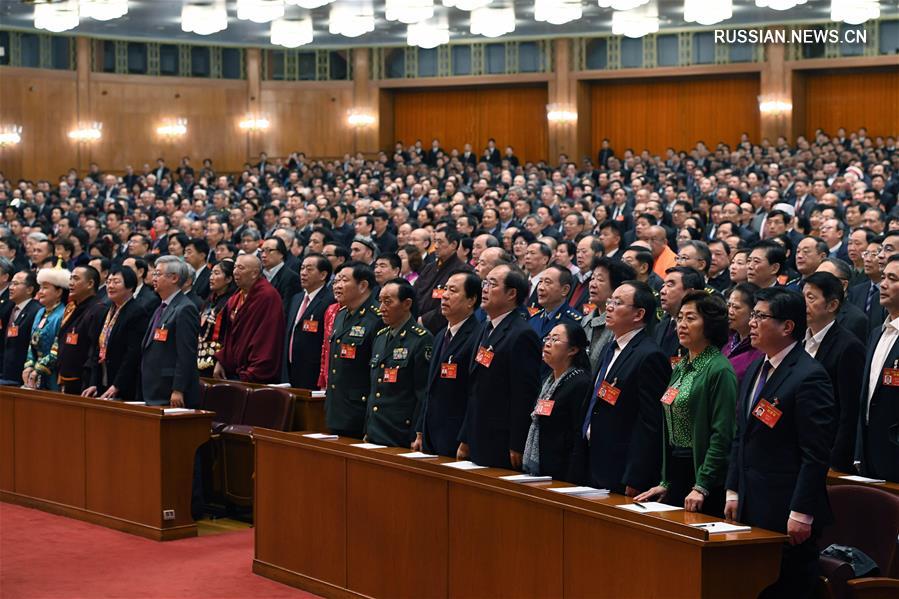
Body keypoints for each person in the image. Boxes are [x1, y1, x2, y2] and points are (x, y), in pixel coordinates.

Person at [725, 288, 836, 598]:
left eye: (761, 316)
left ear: (787, 327)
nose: (752, 323)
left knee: (787, 587)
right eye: (754, 315)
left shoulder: (809, 376)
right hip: (750, 501)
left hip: (786, 510)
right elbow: (741, 434)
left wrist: (801, 512)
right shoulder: (757, 369)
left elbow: (815, 453)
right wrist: (733, 489)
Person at [636, 291, 736, 516]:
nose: (681, 324)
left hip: (702, 477)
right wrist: (666, 481)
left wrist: (702, 485)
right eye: (680, 317)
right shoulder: (681, 366)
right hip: (677, 470)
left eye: (691, 318)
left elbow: (722, 434)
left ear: (710, 324)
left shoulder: (719, 369)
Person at [578, 280, 670, 495]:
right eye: (610, 300)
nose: (609, 307)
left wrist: (637, 475)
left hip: (621, 469)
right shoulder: (611, 348)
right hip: (592, 458)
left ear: (638, 314)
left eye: (618, 303)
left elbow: (651, 423)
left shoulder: (649, 356)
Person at [458, 264, 541, 469]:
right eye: (484, 283)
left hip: (501, 440)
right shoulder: (485, 328)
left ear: (512, 293)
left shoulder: (522, 334)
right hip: (478, 433)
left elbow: (524, 394)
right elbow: (475, 387)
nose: (484, 289)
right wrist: (466, 436)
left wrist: (517, 443)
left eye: (492, 284)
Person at [799, 272, 864, 473]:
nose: (803, 303)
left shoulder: (849, 347)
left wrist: (836, 461)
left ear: (832, 305)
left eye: (811, 298)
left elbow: (849, 411)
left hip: (825, 451)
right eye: (803, 297)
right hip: (796, 446)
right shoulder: (798, 339)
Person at [415, 272, 481, 457]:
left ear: (471, 300)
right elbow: (430, 388)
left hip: (456, 436)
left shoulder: (477, 337)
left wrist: (466, 438)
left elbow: (474, 393)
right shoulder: (439, 336)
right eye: (445, 289)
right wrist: (420, 430)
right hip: (431, 434)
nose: (444, 295)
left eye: (453, 290)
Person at [364, 278, 433, 447]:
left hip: (400, 431)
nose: (381, 309)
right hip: (376, 429)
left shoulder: (421, 339)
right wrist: (368, 427)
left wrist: (418, 432)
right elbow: (374, 387)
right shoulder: (380, 336)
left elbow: (423, 393)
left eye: (388, 302)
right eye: (380, 302)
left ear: (406, 304)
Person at [522, 322, 592, 483]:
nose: (547, 343)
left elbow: (578, 436)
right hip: (544, 465)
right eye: (547, 338)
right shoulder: (550, 380)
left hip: (563, 471)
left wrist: (572, 479)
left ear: (573, 350)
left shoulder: (580, 383)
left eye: (555, 340)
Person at [325, 261, 383, 437]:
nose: (337, 285)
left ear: (363, 285)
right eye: (336, 281)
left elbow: (377, 371)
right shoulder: (341, 314)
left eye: (344, 280)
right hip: (337, 408)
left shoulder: (377, 318)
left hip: (359, 411)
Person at [856, 254, 899, 483]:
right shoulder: (876, 333)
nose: (883, 284)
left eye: (892, 278)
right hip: (869, 455)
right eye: (883, 277)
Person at [213, 254, 285, 383]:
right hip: (232, 370)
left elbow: (268, 337)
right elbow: (228, 336)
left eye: (241, 268)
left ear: (254, 273)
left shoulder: (267, 296)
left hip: (255, 372)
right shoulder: (235, 298)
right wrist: (221, 361)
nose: (235, 271)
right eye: (235, 267)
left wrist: (253, 371)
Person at [140, 256, 201, 408]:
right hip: (153, 388)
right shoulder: (161, 307)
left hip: (169, 391)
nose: (154, 278)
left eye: (158, 274)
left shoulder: (185, 308)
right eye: (154, 274)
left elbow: (186, 353)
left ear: (174, 278)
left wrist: (178, 389)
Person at [81, 267, 149, 402]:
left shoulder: (137, 312)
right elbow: (97, 347)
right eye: (108, 282)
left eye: (116, 282)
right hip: (103, 377)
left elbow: (133, 354)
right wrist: (94, 382)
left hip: (125, 383)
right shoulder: (106, 310)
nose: (110, 286)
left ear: (130, 287)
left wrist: (117, 385)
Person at [283, 253, 334, 390]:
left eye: (309, 269)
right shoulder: (296, 298)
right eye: (302, 268)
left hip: (313, 373)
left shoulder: (330, 301)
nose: (303, 273)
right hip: (291, 369)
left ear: (323, 275)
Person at [55, 265, 106, 395]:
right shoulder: (72, 307)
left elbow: (94, 347)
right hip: (65, 375)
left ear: (90, 283)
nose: (71, 283)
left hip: (83, 380)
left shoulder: (98, 309)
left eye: (76, 279)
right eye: (71, 278)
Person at [414, 228, 472, 335]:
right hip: (416, 323)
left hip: (441, 328)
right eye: (435, 241)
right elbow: (415, 292)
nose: (435, 246)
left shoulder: (462, 271)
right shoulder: (429, 268)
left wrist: (424, 320)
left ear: (453, 245)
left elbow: (455, 303)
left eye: (440, 242)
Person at [582, 257, 635, 372]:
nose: (592, 284)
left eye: (600, 280)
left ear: (617, 287)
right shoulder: (586, 320)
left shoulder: (621, 323)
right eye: (592, 278)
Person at [23, 268, 69, 391]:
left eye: (45, 288)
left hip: (52, 374)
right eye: (40, 288)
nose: (40, 292)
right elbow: (32, 342)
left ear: (59, 292)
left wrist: (39, 368)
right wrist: (29, 365)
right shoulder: (40, 312)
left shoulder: (63, 314)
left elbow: (57, 347)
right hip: (35, 373)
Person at [655, 266, 705, 361]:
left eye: (670, 285)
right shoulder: (660, 326)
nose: (662, 291)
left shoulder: (701, 329)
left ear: (690, 293)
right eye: (663, 285)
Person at [0, 271, 41, 386]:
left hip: (22, 376)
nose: (11, 288)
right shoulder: (10, 308)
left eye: (16, 284)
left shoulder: (36, 310)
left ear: (29, 289)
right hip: (6, 372)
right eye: (11, 284)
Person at [197, 259, 236, 378]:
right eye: (211, 273)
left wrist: (221, 360)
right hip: (200, 356)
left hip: (219, 360)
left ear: (229, 279)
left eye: (217, 273)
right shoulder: (209, 301)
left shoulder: (231, 302)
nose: (211, 277)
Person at [723, 282, 763, 385]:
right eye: (729, 306)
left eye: (736, 307)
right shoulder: (727, 338)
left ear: (753, 311)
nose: (730, 311)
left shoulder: (760, 349)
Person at [261, 236, 300, 308]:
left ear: (281, 254)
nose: (263, 255)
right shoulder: (259, 275)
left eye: (268, 250)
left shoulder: (291, 278)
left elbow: (286, 308)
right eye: (262, 251)